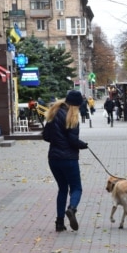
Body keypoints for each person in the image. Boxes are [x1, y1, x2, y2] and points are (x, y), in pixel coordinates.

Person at [43, 90, 89, 232]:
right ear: (76, 105)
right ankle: (72, 208)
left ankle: (59, 222)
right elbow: (73, 140)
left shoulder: (53, 113)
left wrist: (57, 141)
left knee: (62, 189)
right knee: (76, 188)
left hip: (54, 159)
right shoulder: (72, 117)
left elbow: (46, 137)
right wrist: (82, 145)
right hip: (69, 159)